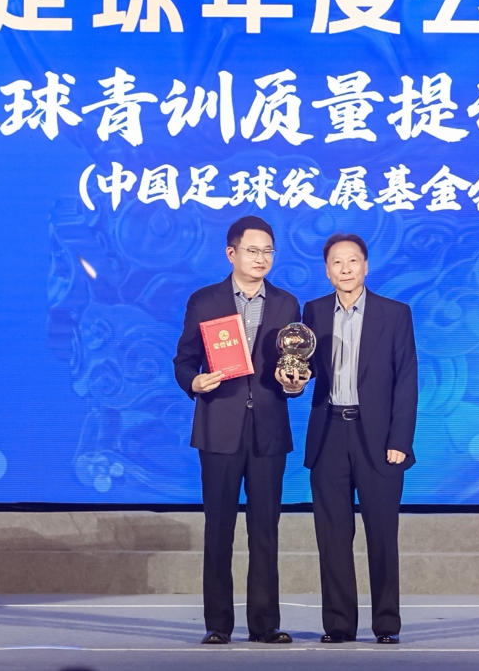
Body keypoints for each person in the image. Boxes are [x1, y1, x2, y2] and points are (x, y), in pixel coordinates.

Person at [173, 215, 309, 645]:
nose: (261, 258)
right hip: (219, 426)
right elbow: (184, 360)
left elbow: (292, 365)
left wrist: (295, 383)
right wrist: (194, 382)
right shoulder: (205, 301)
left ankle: (265, 624)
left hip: (268, 429)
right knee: (219, 529)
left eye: (268, 251)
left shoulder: (287, 304)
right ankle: (218, 624)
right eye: (253, 250)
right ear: (231, 253)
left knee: (265, 530)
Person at [302, 232, 418, 644]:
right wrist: (292, 379)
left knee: (382, 534)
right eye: (337, 262)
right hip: (329, 433)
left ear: (366, 266)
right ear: (327, 270)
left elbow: (406, 380)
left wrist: (400, 439)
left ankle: (386, 624)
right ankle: (338, 625)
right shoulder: (313, 311)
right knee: (332, 536)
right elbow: (305, 369)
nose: (345, 268)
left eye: (353, 260)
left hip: (380, 438)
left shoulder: (395, 313)